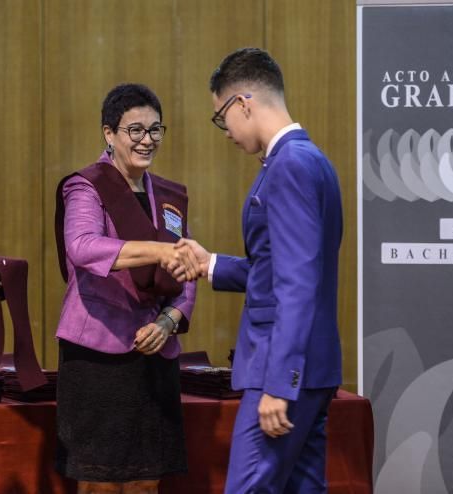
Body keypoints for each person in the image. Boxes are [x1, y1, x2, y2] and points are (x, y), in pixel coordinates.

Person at [177, 48, 344, 493]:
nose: (226, 132)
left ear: (243, 104)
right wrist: (211, 264)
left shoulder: (287, 167)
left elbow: (297, 284)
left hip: (283, 367)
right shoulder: (313, 160)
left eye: (221, 118)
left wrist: (279, 384)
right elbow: (284, 269)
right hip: (315, 367)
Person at [54, 83, 198, 494]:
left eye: (155, 130)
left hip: (154, 349)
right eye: (134, 130)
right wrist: (157, 250)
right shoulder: (86, 186)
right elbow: (81, 247)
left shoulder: (169, 196)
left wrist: (170, 319)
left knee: (145, 480)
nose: (146, 140)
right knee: (99, 482)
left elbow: (185, 264)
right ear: (109, 133)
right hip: (98, 351)